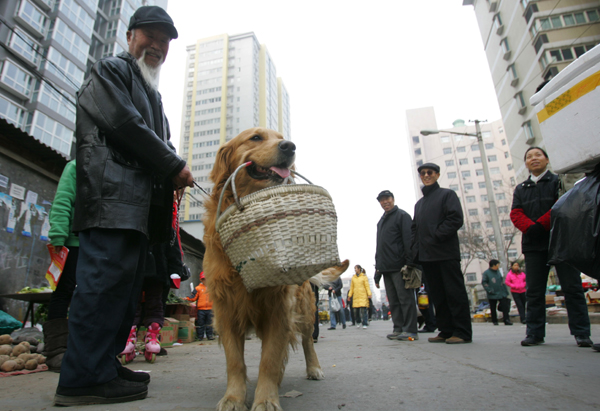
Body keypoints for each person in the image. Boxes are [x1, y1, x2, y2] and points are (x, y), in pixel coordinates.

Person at [54, 6, 194, 406]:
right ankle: (80, 380)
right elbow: (122, 123)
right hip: (111, 202)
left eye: (165, 40)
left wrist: (172, 167)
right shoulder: (110, 71)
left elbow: (160, 144)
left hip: (138, 214)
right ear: (130, 36)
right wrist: (173, 165)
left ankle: (104, 367)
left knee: (123, 295)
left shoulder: (154, 95)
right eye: (150, 35)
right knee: (100, 290)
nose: (157, 45)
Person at [510, 147, 592, 347]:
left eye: (538, 155)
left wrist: (541, 224)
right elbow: (515, 213)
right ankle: (535, 333)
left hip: (562, 242)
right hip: (533, 245)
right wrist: (531, 227)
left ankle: (581, 333)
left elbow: (562, 205)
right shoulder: (521, 188)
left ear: (547, 159)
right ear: (526, 163)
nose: (533, 159)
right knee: (534, 291)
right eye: (529, 157)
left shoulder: (558, 182)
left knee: (572, 288)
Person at [411, 162, 472, 344]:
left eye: (430, 172)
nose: (426, 175)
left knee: (454, 293)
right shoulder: (419, 204)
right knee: (437, 295)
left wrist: (435, 236)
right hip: (427, 257)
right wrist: (417, 248)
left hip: (445, 253)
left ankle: (462, 332)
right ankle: (445, 330)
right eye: (423, 173)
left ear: (437, 175)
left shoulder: (447, 195)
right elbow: (414, 228)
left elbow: (455, 219)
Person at [44, 160, 78, 372]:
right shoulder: (75, 166)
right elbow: (63, 199)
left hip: (95, 244)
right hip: (71, 243)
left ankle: (77, 347)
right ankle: (56, 349)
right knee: (62, 292)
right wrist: (58, 234)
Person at [373, 190, 419, 341]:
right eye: (382, 200)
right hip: (386, 267)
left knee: (405, 299)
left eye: (387, 199)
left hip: (400, 266)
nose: (385, 202)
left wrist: (409, 263)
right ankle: (398, 328)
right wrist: (377, 270)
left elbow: (408, 240)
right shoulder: (381, 221)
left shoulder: (402, 216)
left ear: (393, 199)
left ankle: (411, 329)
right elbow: (379, 246)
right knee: (393, 301)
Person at [482, 259, 513, 326]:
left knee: (505, 306)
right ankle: (494, 320)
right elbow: (484, 282)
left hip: (501, 293)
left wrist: (505, 291)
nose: (498, 266)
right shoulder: (486, 273)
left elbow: (501, 282)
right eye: (497, 265)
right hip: (492, 293)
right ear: (494, 265)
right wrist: (489, 290)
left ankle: (506, 320)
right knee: (493, 307)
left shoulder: (498, 272)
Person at [186, 272, 214, 341]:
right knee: (200, 323)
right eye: (204, 279)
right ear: (201, 280)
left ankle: (210, 335)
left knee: (209, 323)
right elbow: (193, 297)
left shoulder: (213, 288)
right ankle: (200, 336)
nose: (206, 281)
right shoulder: (198, 288)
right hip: (201, 309)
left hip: (210, 309)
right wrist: (187, 298)